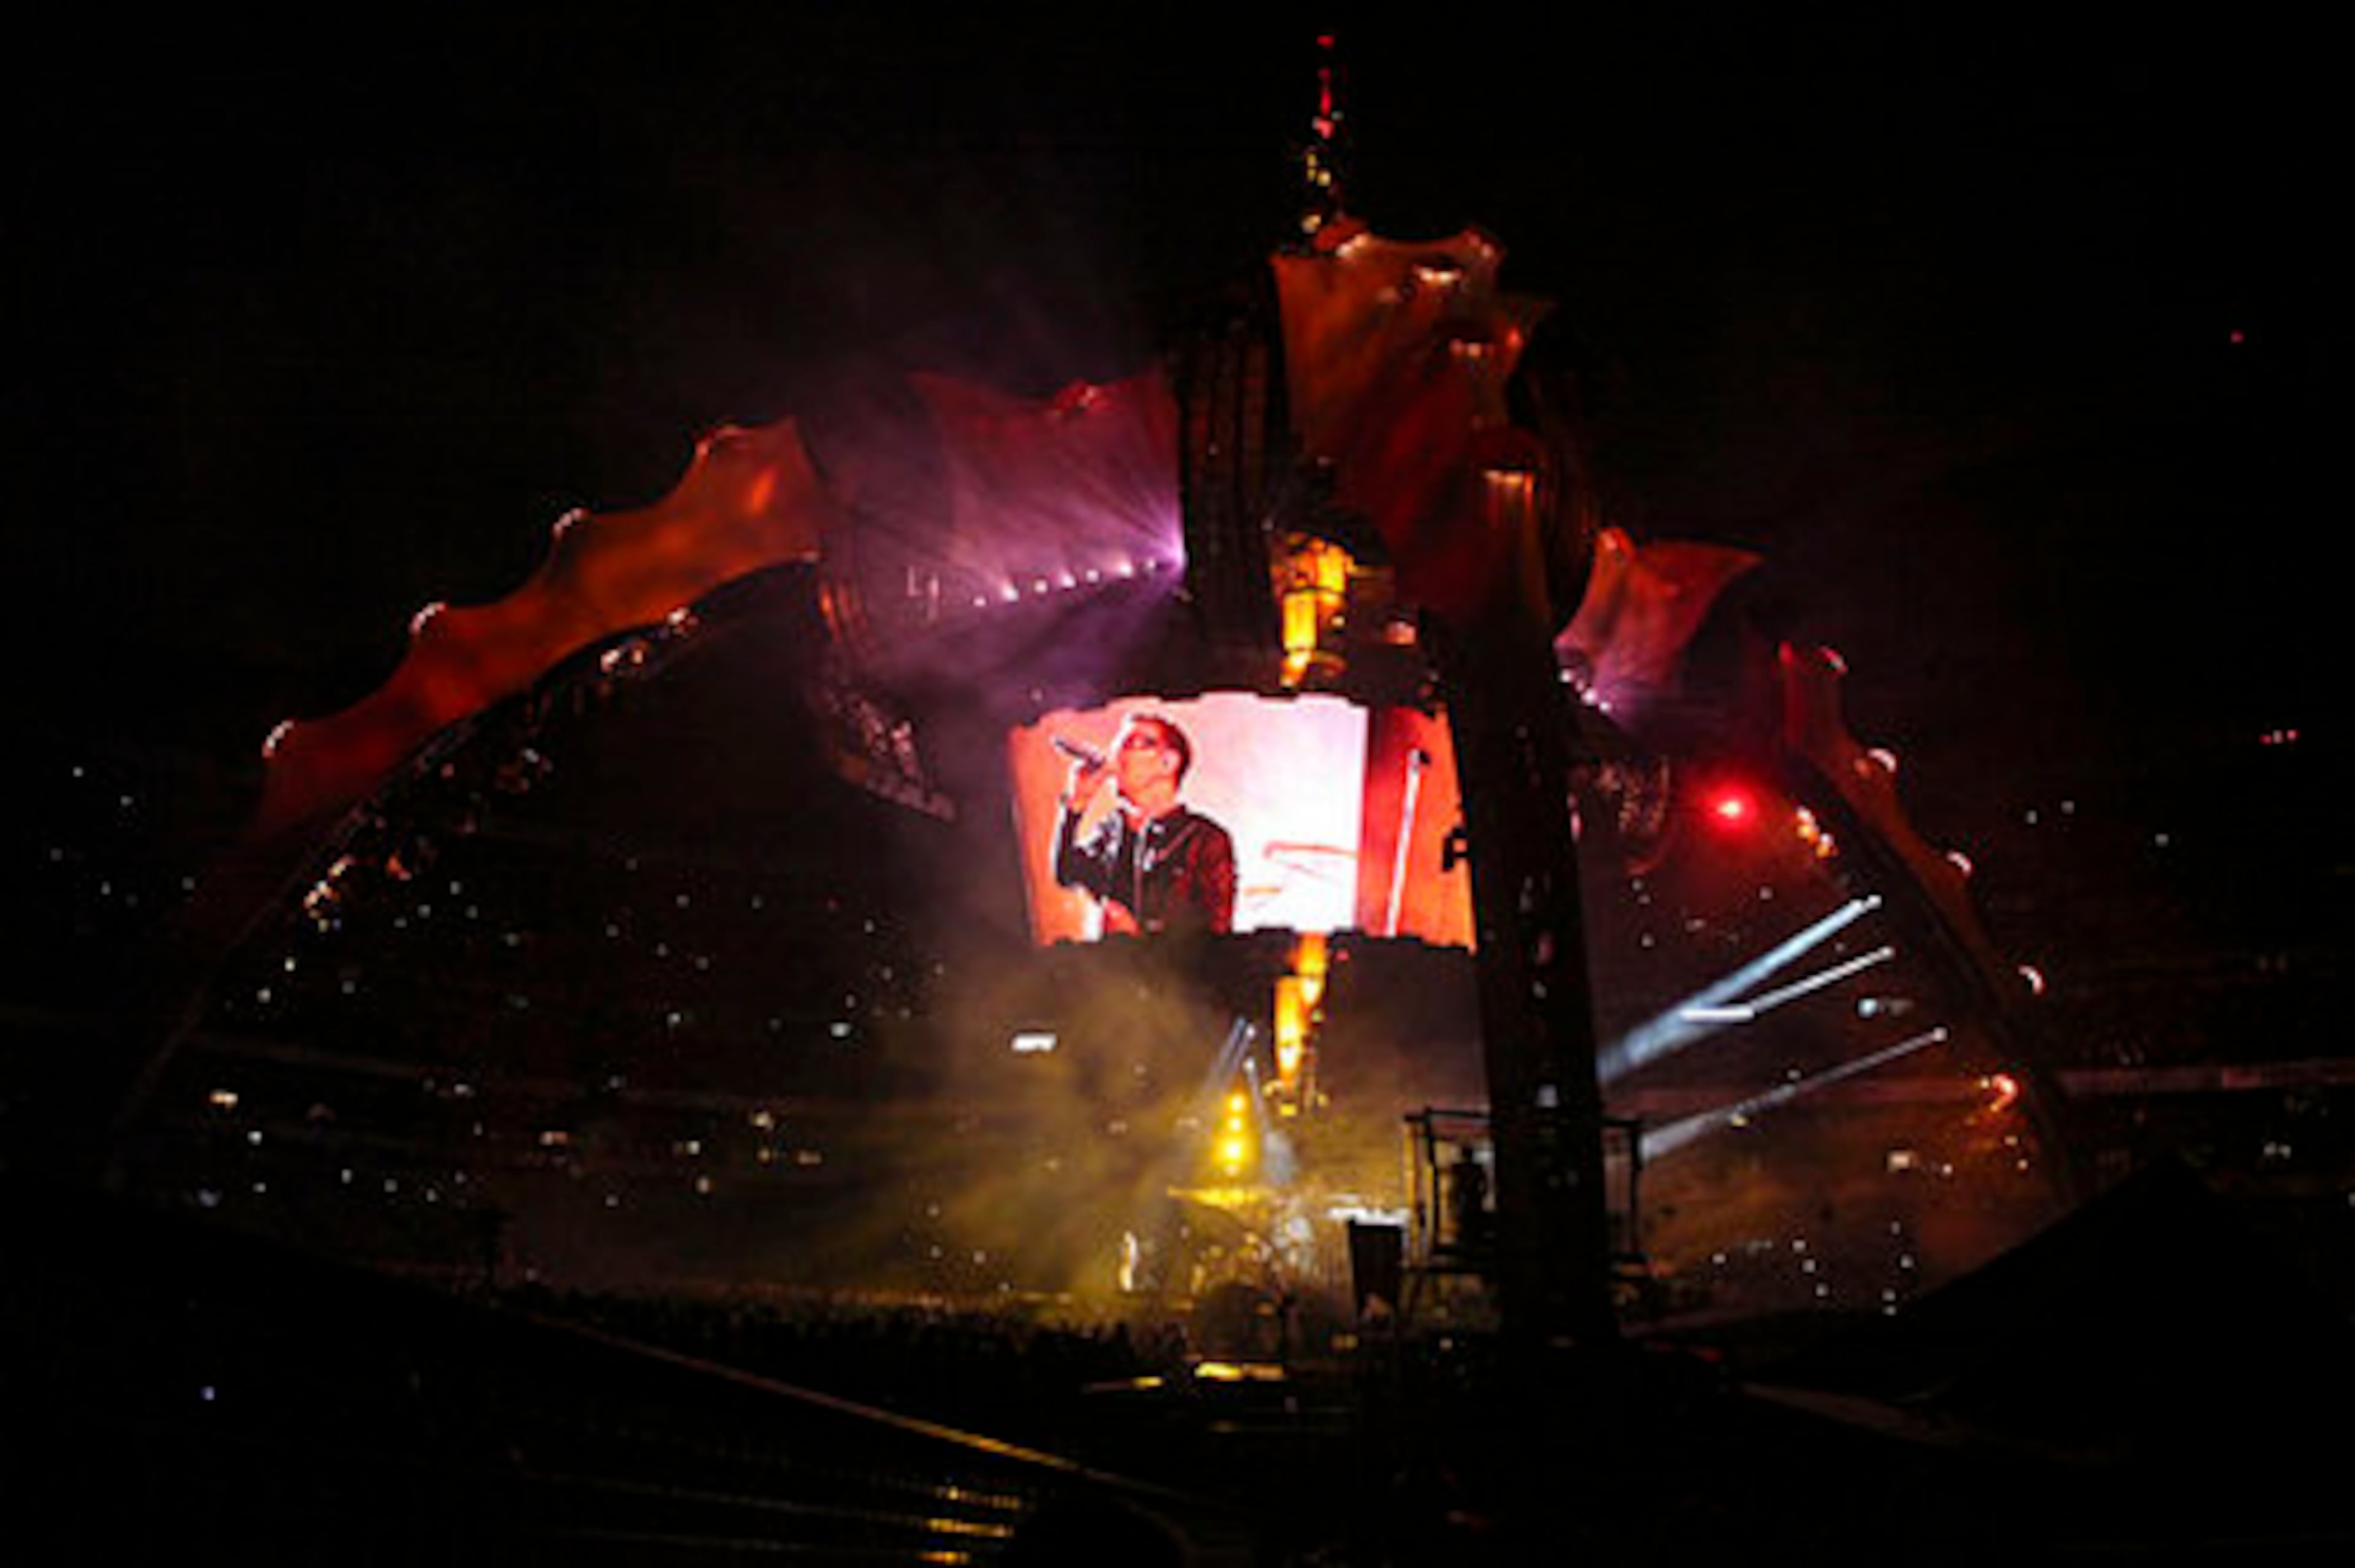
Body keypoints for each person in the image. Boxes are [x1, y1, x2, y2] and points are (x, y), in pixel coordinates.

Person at [1052, 713, 1236, 937]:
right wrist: (1077, 804)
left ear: (1168, 763)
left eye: (1131, 744)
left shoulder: (1205, 840)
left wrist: (1139, 941)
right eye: (1118, 745)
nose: (1116, 754)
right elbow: (1067, 873)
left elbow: (1216, 940)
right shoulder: (1112, 831)